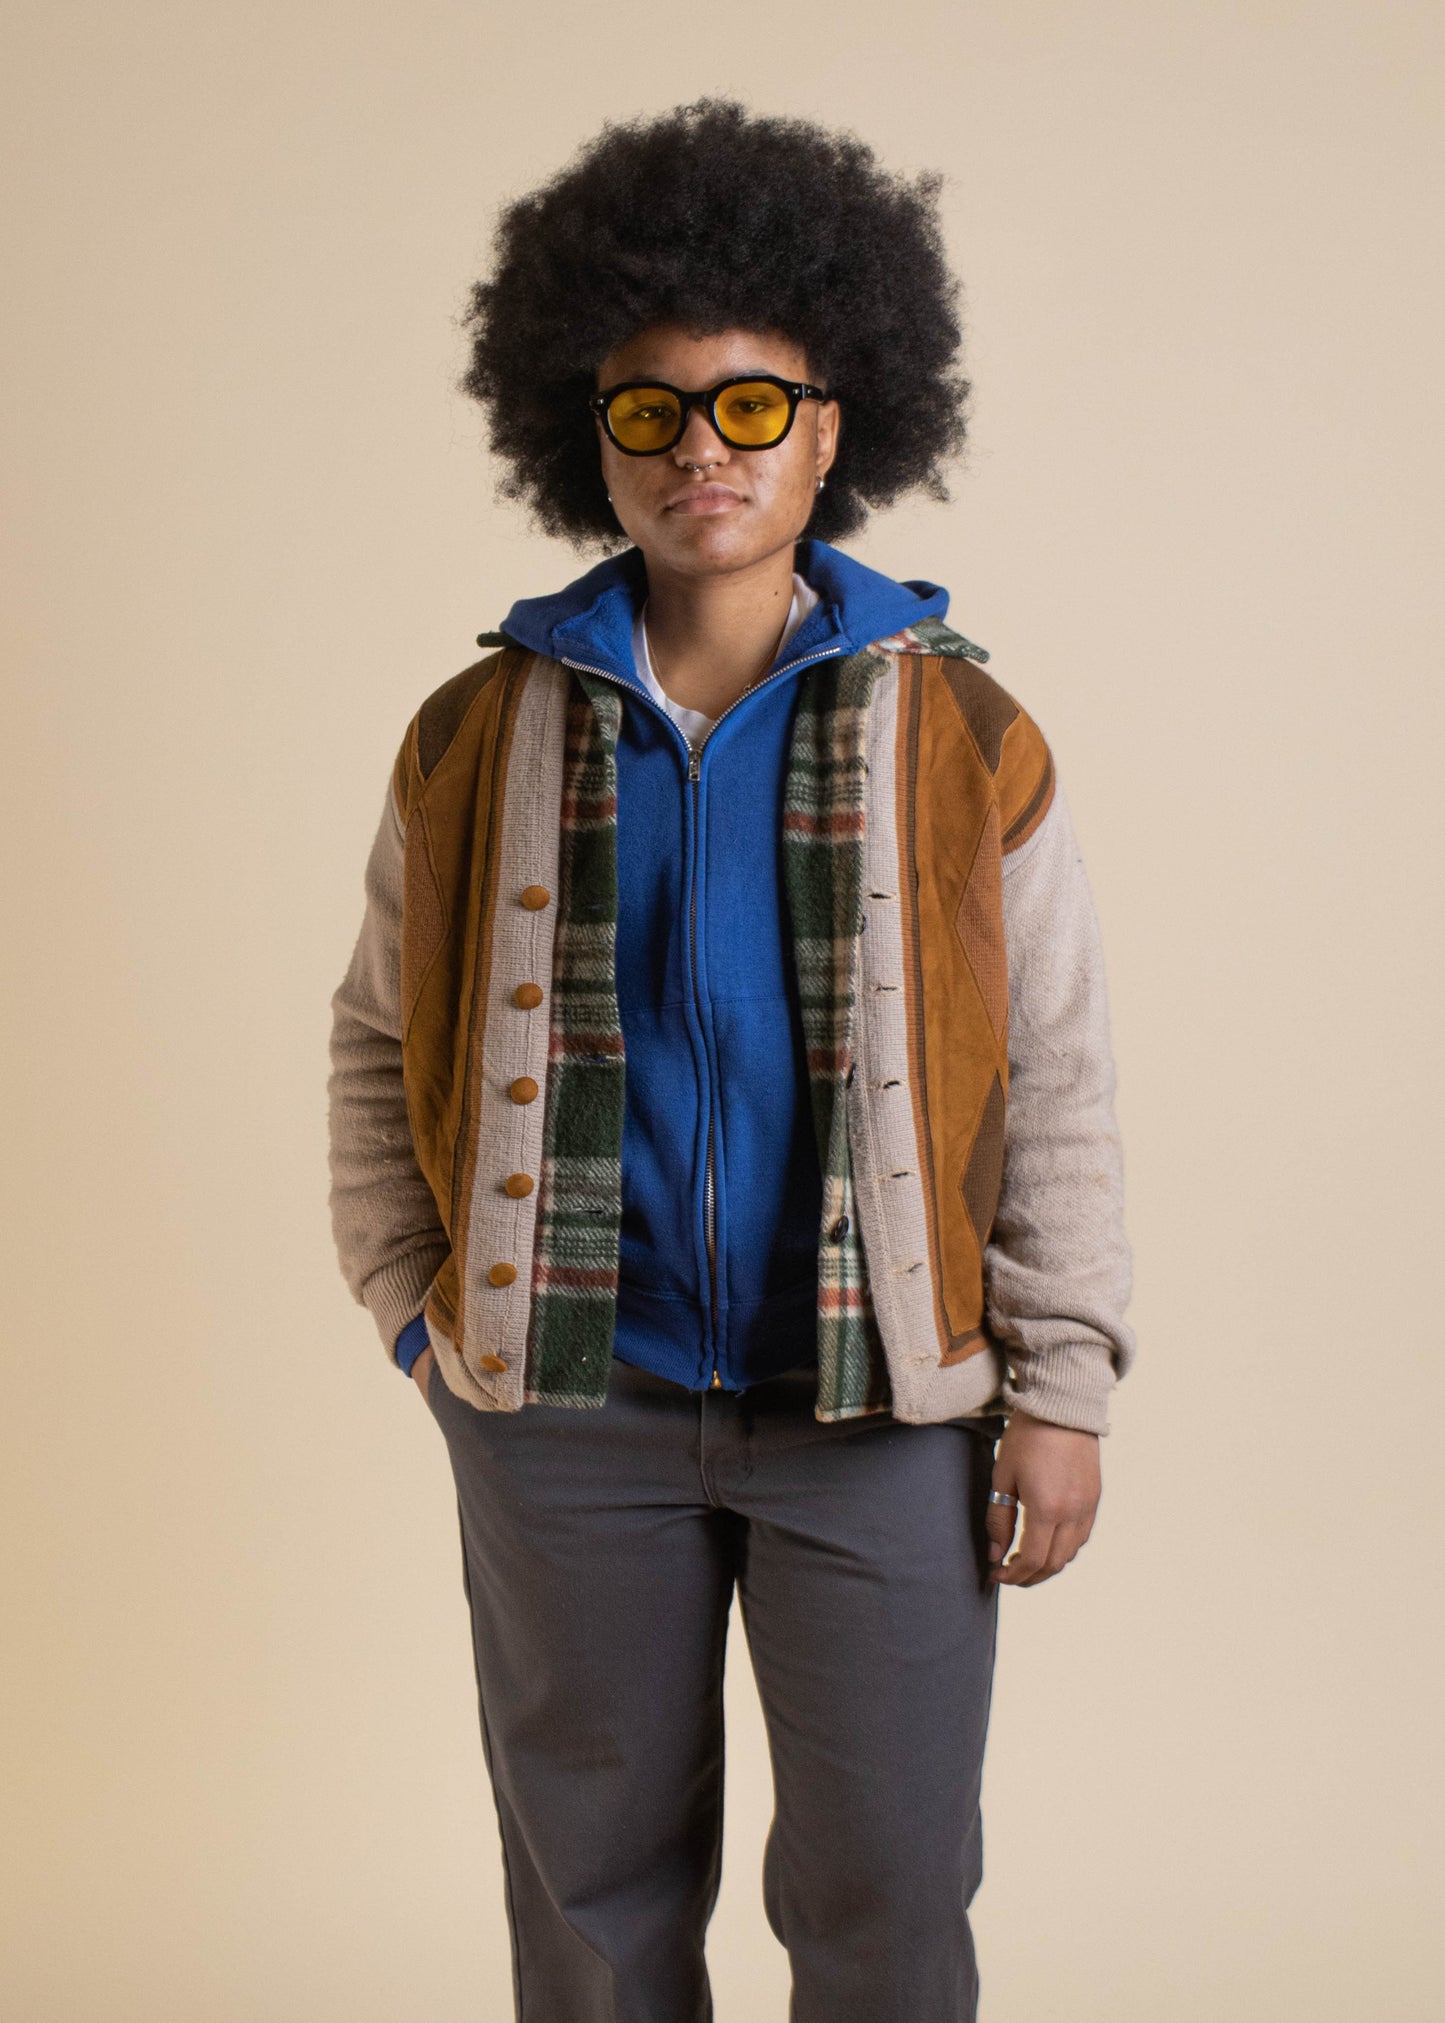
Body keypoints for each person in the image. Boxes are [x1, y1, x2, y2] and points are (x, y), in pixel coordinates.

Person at [326, 97, 1135, 2023]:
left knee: (886, 1890)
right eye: (653, 409)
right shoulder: (473, 733)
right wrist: (418, 1314)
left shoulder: (967, 739)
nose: (702, 447)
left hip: (876, 1412)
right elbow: (374, 1041)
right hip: (564, 1407)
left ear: (830, 431)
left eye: (751, 405)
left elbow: (1056, 1075)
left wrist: (1063, 1381)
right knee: (591, 1902)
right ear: (589, 435)